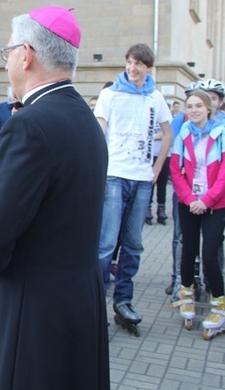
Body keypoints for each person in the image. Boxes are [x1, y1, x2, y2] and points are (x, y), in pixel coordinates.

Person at [0, 6, 109, 389]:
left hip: (30, 308)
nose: (6, 66)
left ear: (26, 54)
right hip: (76, 298)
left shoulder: (30, 125)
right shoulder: (85, 118)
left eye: (8, 54)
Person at [94, 43, 173, 331]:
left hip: (142, 179)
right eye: (129, 62)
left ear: (147, 68)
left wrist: (157, 167)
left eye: (138, 64)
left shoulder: (155, 97)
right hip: (114, 175)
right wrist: (100, 172)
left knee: (134, 244)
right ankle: (96, 300)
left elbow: (167, 133)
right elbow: (98, 133)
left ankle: (123, 300)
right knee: (105, 244)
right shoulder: (110, 94)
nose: (132, 68)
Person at [169, 90, 225, 337]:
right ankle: (186, 292)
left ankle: (219, 303)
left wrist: (206, 200)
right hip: (188, 203)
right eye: (189, 106)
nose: (194, 110)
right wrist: (189, 199)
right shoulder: (183, 134)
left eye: (199, 105)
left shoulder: (224, 134)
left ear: (209, 108)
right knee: (188, 250)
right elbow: (175, 171)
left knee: (209, 253)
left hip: (215, 204)